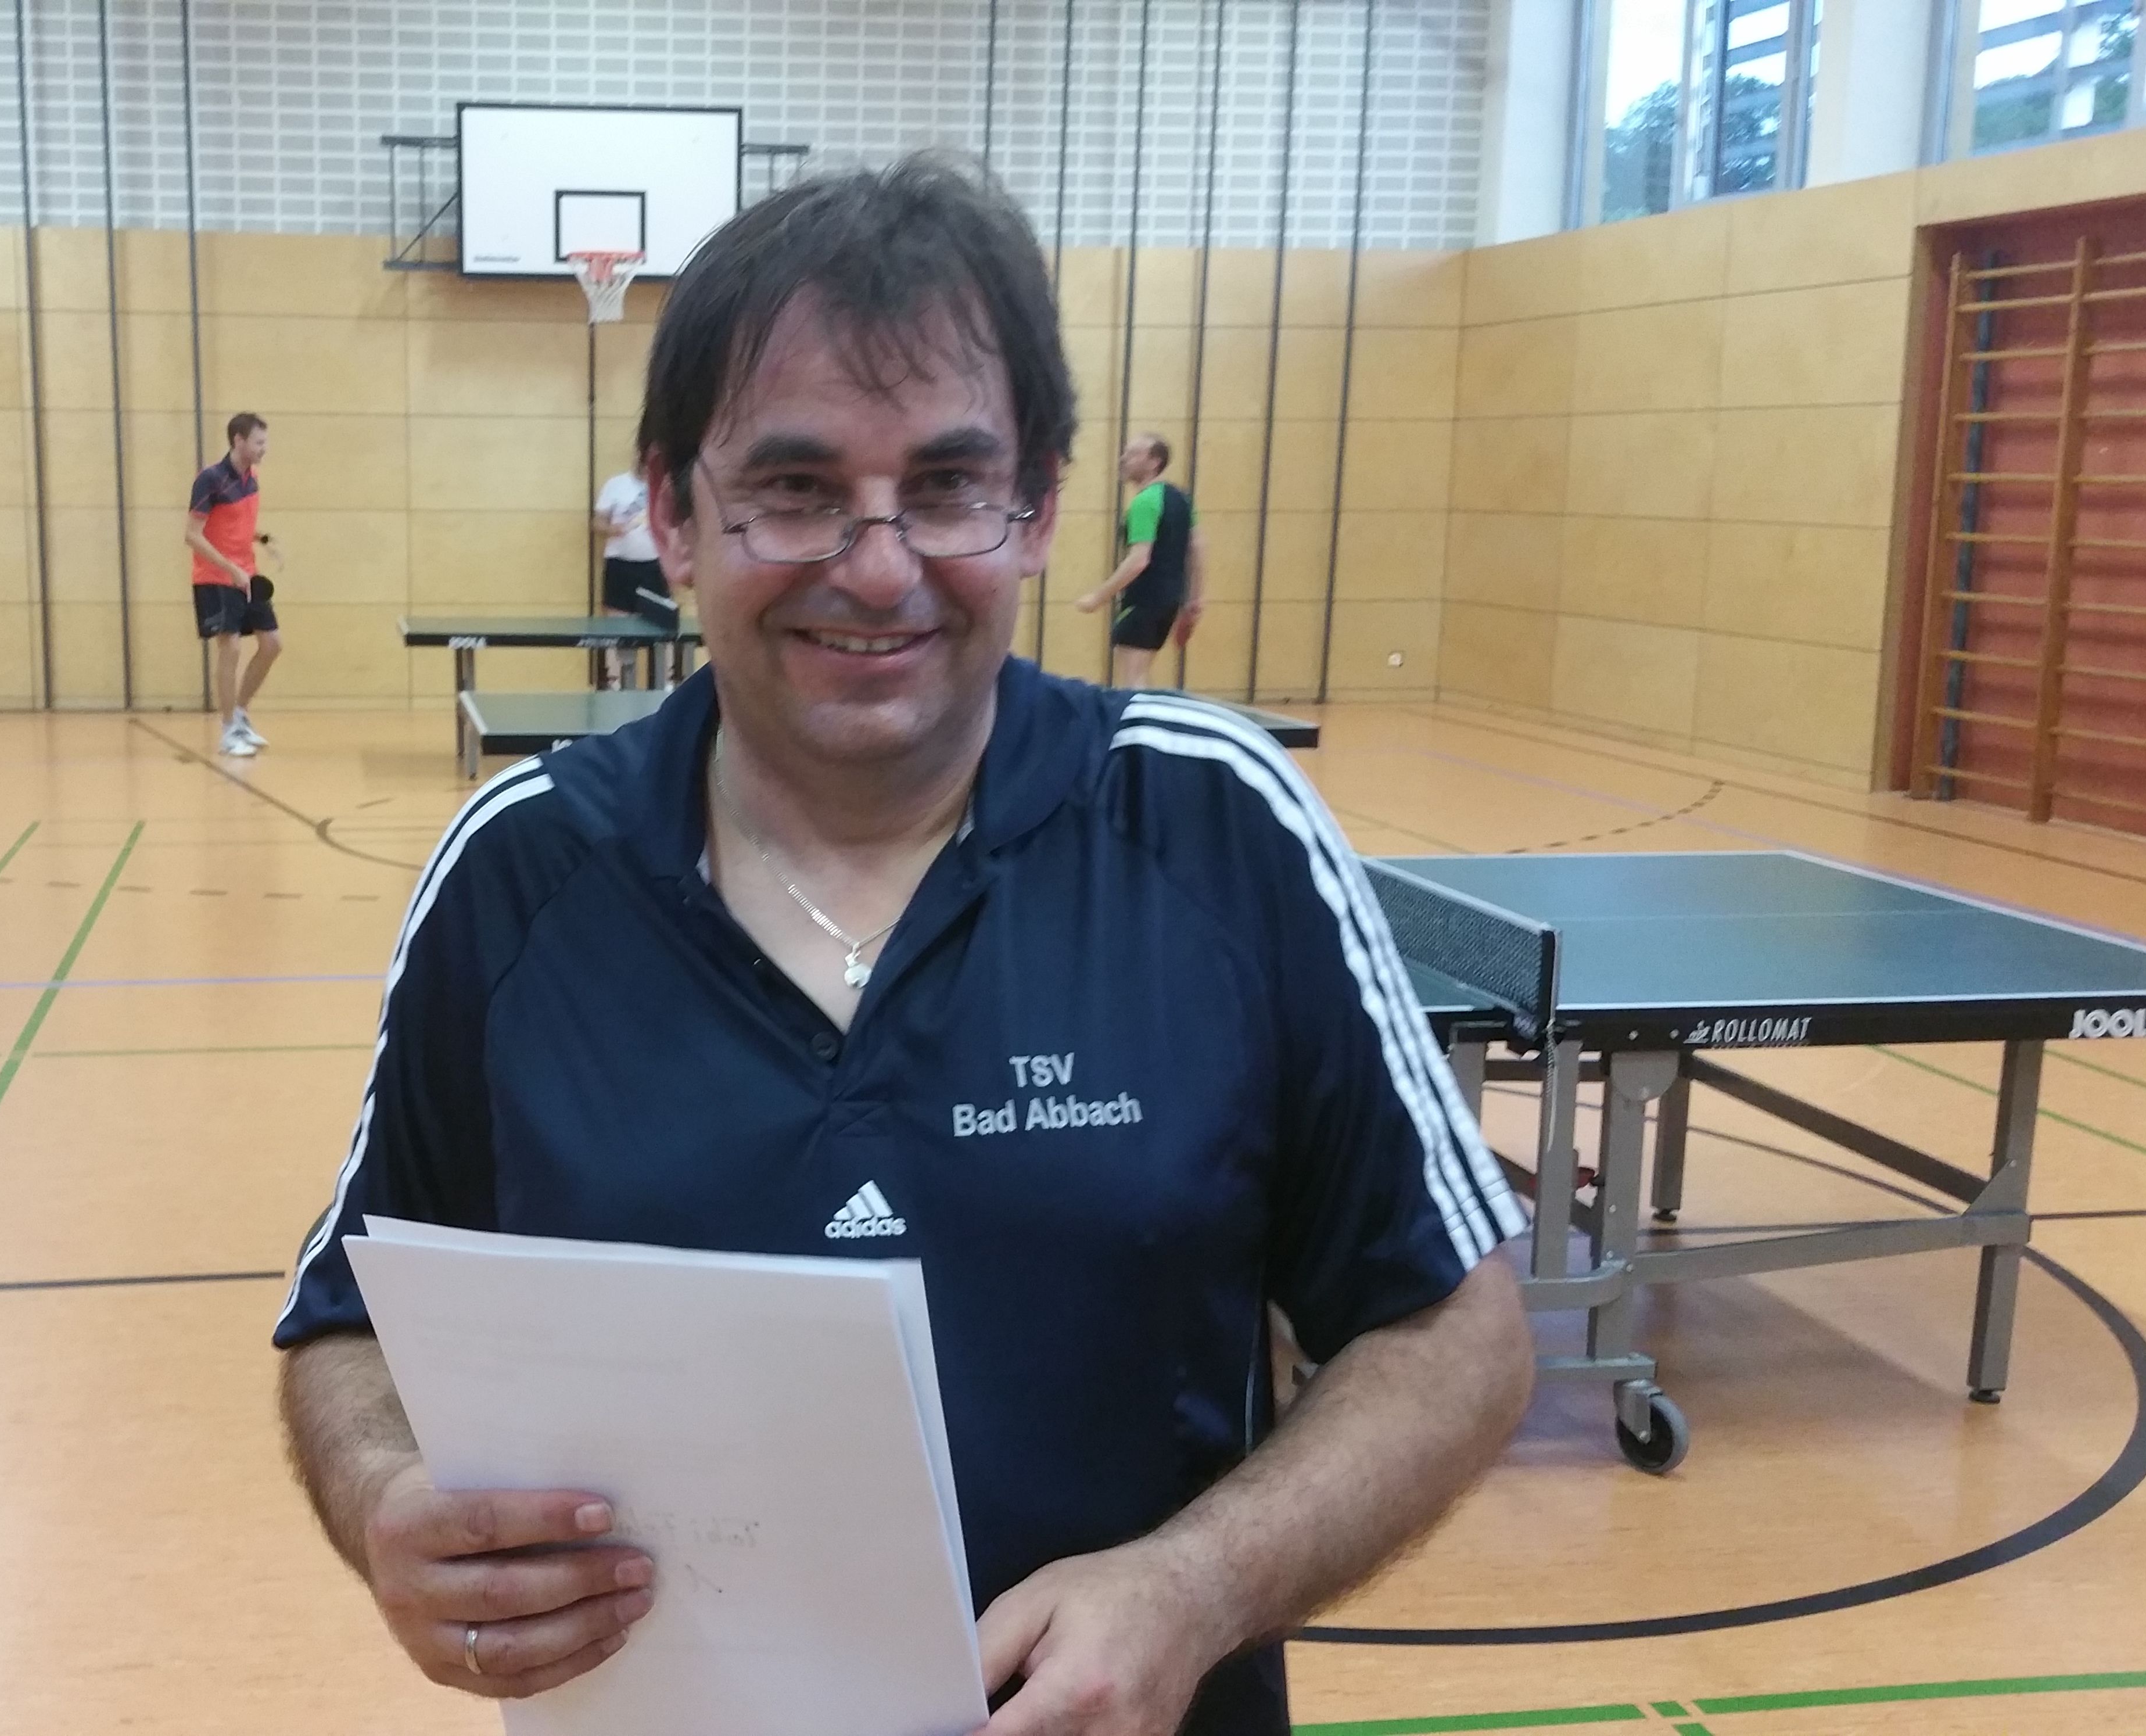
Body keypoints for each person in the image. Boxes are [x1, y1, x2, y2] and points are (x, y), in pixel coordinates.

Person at [272, 157, 1531, 1736]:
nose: (876, 567)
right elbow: (347, 1321)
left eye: (945, 486)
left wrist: (1196, 1584)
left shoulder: (1219, 829)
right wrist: (387, 1497)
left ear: (1038, 506)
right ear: (672, 511)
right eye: (795, 490)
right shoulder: (519, 874)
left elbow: (1455, 1326)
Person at [186, 413, 282, 755]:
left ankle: (240, 714)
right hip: (215, 578)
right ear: (239, 441)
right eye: (259, 442)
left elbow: (233, 525)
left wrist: (263, 538)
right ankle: (228, 732)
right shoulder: (210, 480)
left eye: (265, 442)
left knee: (272, 644)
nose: (264, 449)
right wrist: (229, 567)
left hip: (247, 574)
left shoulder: (251, 479)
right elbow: (192, 535)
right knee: (231, 648)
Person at [1075, 435, 1201, 690]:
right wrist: (1194, 601)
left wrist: (1098, 598)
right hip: (1169, 602)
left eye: (1133, 454)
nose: (1124, 459)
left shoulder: (1145, 502)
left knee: (1134, 682)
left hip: (1144, 602)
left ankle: (1139, 718)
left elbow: (1138, 560)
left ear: (1154, 462)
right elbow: (1197, 547)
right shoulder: (1181, 499)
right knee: (1141, 675)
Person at [593, 467, 674, 686]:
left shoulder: (666, 486)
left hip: (654, 565)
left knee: (662, 626)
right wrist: (612, 529)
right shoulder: (616, 485)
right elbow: (597, 523)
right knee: (618, 628)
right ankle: (617, 681)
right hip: (620, 565)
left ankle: (666, 683)